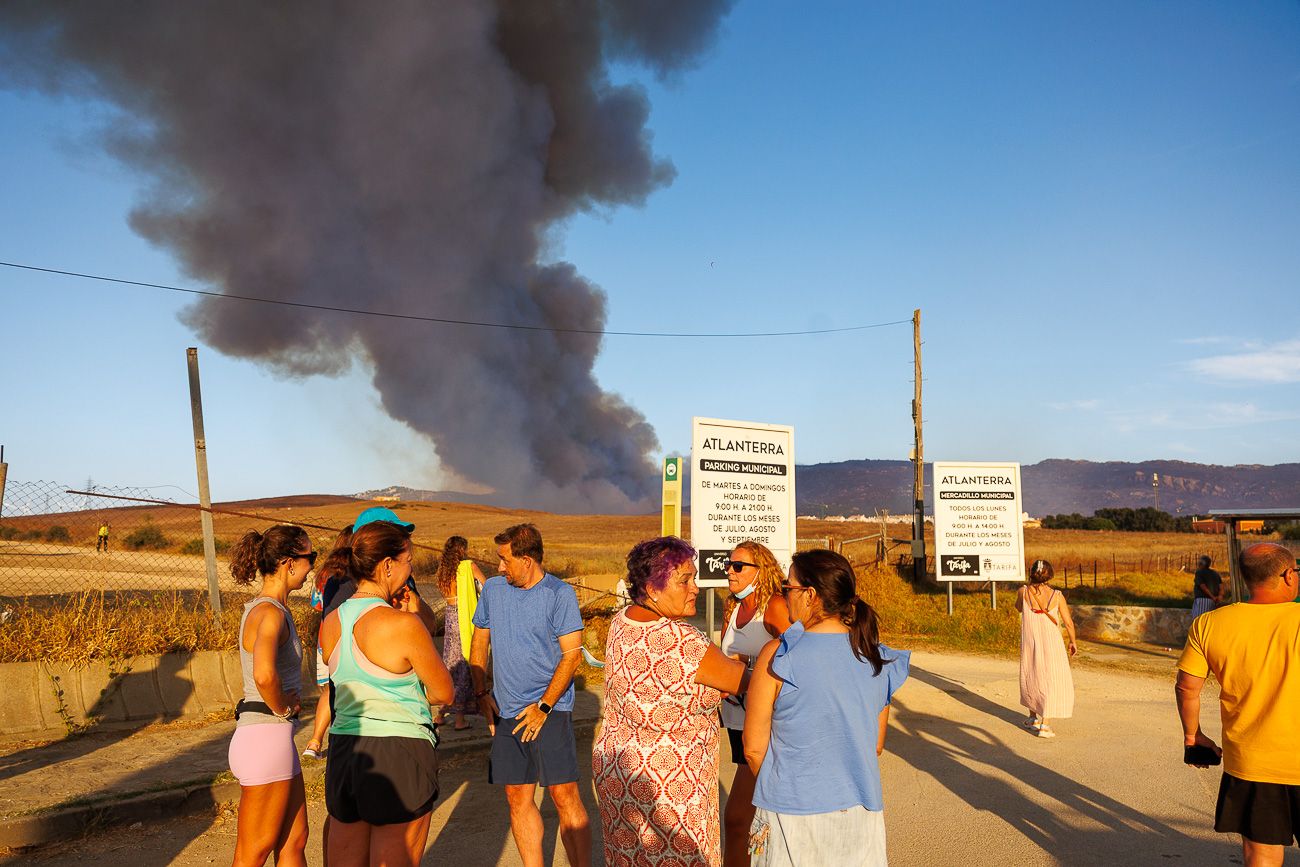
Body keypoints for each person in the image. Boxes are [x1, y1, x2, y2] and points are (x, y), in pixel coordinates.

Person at [743, 549, 908, 866]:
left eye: (787, 587)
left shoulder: (778, 655)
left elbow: (753, 748)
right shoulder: (876, 657)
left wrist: (786, 787)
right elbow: (875, 744)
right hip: (859, 810)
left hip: (789, 810)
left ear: (810, 595)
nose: (783, 595)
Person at [593, 537, 748, 867]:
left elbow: (660, 688)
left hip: (619, 775)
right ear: (652, 589)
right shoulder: (683, 640)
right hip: (669, 789)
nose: (695, 587)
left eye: (694, 577)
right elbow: (745, 683)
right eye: (684, 580)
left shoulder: (622, 621)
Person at [319, 519, 453, 867]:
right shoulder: (402, 624)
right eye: (408, 560)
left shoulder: (331, 622)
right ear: (387, 565)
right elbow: (444, 692)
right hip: (400, 749)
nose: (410, 570)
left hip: (346, 748)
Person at [470, 523, 590, 867]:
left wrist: (544, 706)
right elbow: (480, 639)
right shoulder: (493, 590)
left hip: (550, 710)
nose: (500, 567)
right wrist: (481, 692)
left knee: (563, 796)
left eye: (505, 560)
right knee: (516, 797)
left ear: (527, 559)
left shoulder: (559, 594)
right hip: (507, 710)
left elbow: (572, 655)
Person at [1177, 542, 1300, 867]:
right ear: (1289, 575)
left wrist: (1194, 737)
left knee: (1261, 854)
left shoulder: (1209, 624)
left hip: (1252, 761)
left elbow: (1187, 688)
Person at [226, 524, 315, 867]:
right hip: (265, 736)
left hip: (274, 738)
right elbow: (264, 674)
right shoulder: (269, 612)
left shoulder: (274, 610)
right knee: (253, 854)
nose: (311, 568)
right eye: (310, 558)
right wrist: (283, 706)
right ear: (289, 563)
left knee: (294, 840)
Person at [718, 541, 792, 867]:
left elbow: (798, 657)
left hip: (768, 723)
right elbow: (724, 663)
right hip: (737, 719)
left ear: (760, 571)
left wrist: (754, 665)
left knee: (737, 818)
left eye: (738, 566)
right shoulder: (731, 607)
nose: (730, 572)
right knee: (757, 817)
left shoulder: (774, 607)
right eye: (728, 565)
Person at [302, 524, 353, 761]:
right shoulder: (353, 574)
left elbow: (316, 604)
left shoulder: (324, 573)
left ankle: (314, 741)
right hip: (344, 637)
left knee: (328, 690)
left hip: (324, 635)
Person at [1015, 559, 1076, 738]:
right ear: (1050, 575)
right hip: (1052, 642)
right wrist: (1073, 641)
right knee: (1051, 678)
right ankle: (1045, 724)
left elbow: (1019, 608)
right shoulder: (1057, 595)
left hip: (1030, 640)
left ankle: (1032, 717)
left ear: (1032, 573)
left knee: (1031, 673)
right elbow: (1068, 622)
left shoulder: (1023, 591)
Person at [434, 535, 485, 730]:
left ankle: (440, 713)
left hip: (449, 615)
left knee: (450, 665)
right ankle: (459, 719)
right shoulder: (467, 567)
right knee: (464, 664)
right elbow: (486, 585)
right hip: (463, 616)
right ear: (462, 550)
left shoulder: (443, 571)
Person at [1192, 554, 1225, 619]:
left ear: (1201, 563)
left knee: (1199, 620)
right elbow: (1221, 587)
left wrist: (1212, 597)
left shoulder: (1199, 572)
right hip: (1213, 602)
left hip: (1203, 601)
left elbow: (1203, 586)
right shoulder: (1215, 573)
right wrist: (1219, 597)